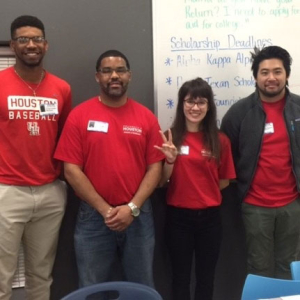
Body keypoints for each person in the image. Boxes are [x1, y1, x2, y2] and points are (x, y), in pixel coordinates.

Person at [54, 50, 164, 289]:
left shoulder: (146, 118)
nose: (114, 76)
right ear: (97, 77)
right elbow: (71, 170)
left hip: (138, 216)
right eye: (107, 71)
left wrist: (132, 208)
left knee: (141, 286)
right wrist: (106, 211)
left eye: (120, 70)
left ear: (129, 75)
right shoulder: (79, 116)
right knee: (91, 286)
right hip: (94, 217)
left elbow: (155, 167)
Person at [0, 15, 72, 300]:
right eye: (23, 39)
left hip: (50, 193)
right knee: (1, 276)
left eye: (36, 39)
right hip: (8, 191)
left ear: (46, 45)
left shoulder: (61, 88)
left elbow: (65, 139)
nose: (31, 45)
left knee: (41, 275)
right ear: (12, 45)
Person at [221, 46, 300, 279]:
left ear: (287, 74)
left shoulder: (298, 108)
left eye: (277, 71)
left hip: (293, 205)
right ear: (255, 76)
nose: (271, 78)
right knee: (259, 269)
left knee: (291, 267)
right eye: (264, 72)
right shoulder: (239, 113)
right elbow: (227, 156)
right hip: (255, 206)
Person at [155, 78, 236, 300]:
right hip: (178, 219)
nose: (195, 108)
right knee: (180, 278)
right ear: (181, 104)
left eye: (201, 102)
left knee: (206, 278)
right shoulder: (169, 137)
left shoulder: (220, 140)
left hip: (210, 220)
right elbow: (161, 182)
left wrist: (203, 195)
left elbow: (224, 181)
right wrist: (170, 160)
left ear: (209, 106)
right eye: (190, 101)